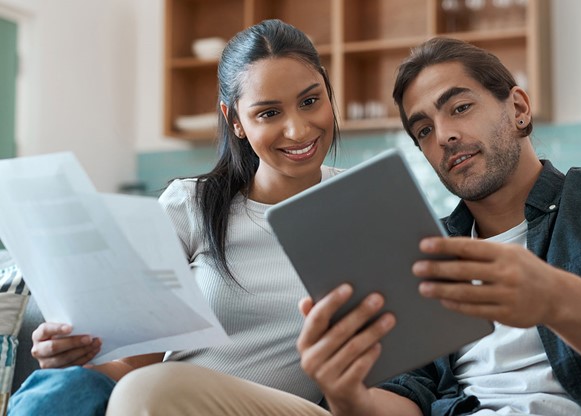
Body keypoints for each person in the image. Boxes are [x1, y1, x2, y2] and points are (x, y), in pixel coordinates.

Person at [106, 36, 581, 415]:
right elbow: (405, 397)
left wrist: (555, 299)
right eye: (422, 128)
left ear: (518, 107)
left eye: (460, 108)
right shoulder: (420, 250)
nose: (442, 135)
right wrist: (346, 394)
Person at [8, 19, 340, 416]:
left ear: (327, 91)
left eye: (310, 101)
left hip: (280, 409)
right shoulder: (192, 205)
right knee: (66, 388)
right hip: (165, 402)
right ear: (235, 120)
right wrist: (72, 360)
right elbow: (135, 366)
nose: (298, 129)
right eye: (268, 113)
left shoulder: (366, 202)